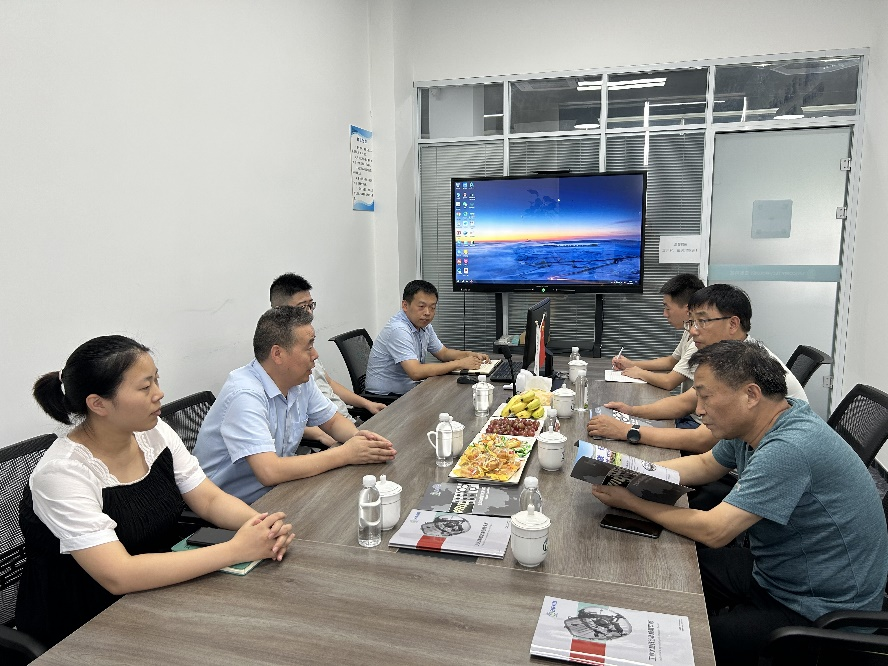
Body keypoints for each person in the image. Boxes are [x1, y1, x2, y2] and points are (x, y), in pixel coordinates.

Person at [590, 340, 888, 666]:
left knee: (691, 642)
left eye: (706, 397)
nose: (699, 409)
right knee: (671, 573)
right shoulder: (761, 421)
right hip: (778, 570)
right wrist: (632, 472)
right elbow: (705, 465)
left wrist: (632, 501)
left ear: (751, 395)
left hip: (820, 608)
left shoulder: (789, 447)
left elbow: (715, 531)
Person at [17, 336, 295, 648]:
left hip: (163, 585)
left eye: (156, 380)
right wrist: (237, 549)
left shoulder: (153, 432)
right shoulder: (62, 473)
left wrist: (262, 528)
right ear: (98, 404)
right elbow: (119, 575)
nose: (159, 394)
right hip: (87, 620)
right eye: (145, 386)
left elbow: (208, 499)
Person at [193, 306, 396, 504]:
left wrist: (361, 441)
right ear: (278, 354)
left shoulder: (300, 380)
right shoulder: (245, 395)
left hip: (279, 490)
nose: (315, 354)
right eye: (309, 347)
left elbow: (332, 422)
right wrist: (346, 454)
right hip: (230, 505)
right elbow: (269, 471)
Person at [587, 283, 807, 452]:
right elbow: (685, 402)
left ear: (733, 324)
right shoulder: (727, 357)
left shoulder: (748, 366)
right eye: (691, 322)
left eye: (702, 321)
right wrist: (632, 411)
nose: (692, 331)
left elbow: (702, 440)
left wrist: (628, 430)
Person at [269, 273, 387, 447]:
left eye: (311, 305)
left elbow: (328, 383)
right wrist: (320, 435)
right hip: (328, 435)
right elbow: (284, 422)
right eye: (302, 307)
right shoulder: (278, 362)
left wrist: (367, 404)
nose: (309, 312)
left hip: (343, 423)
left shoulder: (305, 349)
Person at [365, 279, 490, 395]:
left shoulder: (424, 326)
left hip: (411, 390)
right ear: (405, 305)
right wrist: (460, 363)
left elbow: (443, 353)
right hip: (386, 398)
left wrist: (469, 355)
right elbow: (415, 372)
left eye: (432, 307)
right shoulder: (398, 329)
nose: (427, 312)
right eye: (421, 306)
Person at [611, 273, 704, 391]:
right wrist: (632, 364)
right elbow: (672, 361)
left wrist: (639, 372)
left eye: (668, 308)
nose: (664, 314)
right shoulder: (688, 330)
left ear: (688, 310)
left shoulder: (699, 341)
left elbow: (669, 382)